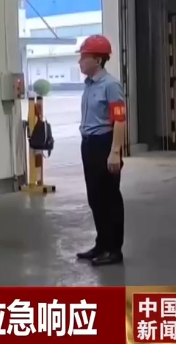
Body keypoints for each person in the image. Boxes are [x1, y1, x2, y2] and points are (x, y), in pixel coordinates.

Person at [74, 35, 126, 267]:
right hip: (89, 144)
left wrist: (115, 151)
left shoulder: (111, 85)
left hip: (105, 143)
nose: (80, 62)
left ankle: (114, 250)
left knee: (109, 198)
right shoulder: (89, 85)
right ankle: (102, 243)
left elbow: (120, 120)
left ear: (97, 59)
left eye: (83, 57)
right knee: (95, 197)